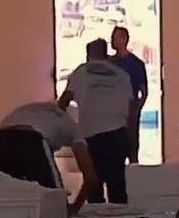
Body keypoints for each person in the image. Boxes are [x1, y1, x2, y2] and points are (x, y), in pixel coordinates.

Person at [57, 38, 134, 204]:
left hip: (92, 134)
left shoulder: (81, 72)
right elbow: (131, 110)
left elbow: (62, 103)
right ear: (105, 54)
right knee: (117, 187)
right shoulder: (121, 74)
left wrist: (63, 130)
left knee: (94, 186)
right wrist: (131, 143)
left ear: (88, 54)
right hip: (118, 133)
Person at [0, 101, 101, 212]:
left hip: (2, 137)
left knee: (9, 196)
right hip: (30, 136)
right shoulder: (74, 127)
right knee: (55, 200)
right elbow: (90, 176)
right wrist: (74, 208)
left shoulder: (41, 110)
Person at [110, 26, 148, 163]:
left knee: (131, 147)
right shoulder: (109, 63)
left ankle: (134, 179)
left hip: (129, 107)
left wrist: (136, 109)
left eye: (115, 37)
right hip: (113, 108)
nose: (112, 40)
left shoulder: (136, 64)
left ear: (124, 39)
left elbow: (143, 90)